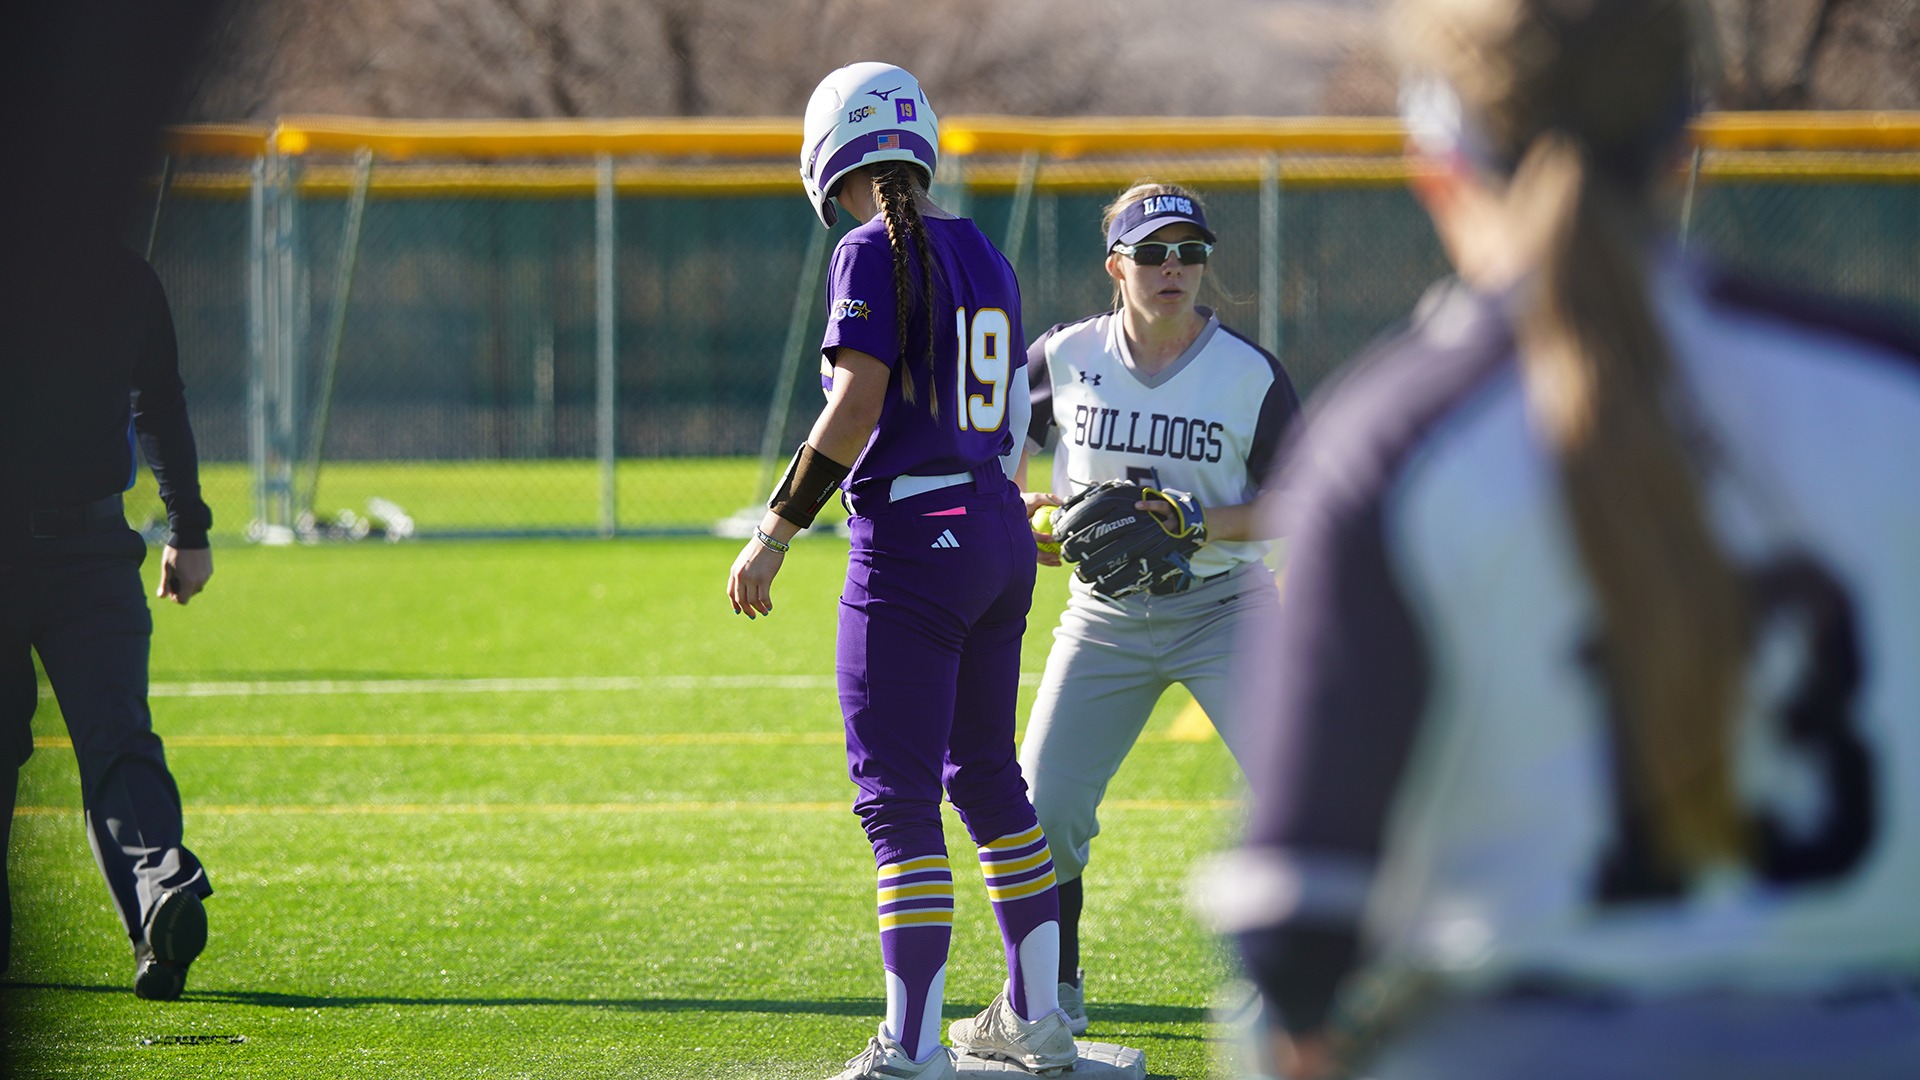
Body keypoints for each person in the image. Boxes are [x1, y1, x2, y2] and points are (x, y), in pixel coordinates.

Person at [1208, 0, 1920, 1077]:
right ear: (1686, 141)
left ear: (1434, 158)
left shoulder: (1394, 442)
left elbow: (1296, 927)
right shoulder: (1888, 385)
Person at [726, 62, 1076, 1080]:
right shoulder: (987, 254)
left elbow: (855, 407)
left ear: (825, 154)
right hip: (996, 528)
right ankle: (1039, 1017)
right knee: (989, 780)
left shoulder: (865, 249)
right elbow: (1011, 420)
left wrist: (776, 529)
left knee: (898, 801)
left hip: (916, 542)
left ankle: (912, 1044)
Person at [1013, 182, 1298, 1033]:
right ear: (1116, 266)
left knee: (1302, 791)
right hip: (1102, 616)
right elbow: (998, 463)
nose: (1173, 268)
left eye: (1190, 252)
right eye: (1152, 252)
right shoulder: (1061, 357)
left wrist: (1201, 518)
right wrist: (1034, 518)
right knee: (1042, 810)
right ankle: (1054, 991)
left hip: (1225, 606)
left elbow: (1299, 501)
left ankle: (1293, 988)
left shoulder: (1249, 374)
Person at [1, 244, 216, 1001]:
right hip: (91, 551)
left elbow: (157, 396)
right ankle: (158, 892)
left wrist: (188, 527)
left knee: (116, 735)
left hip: (93, 552)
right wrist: (188, 531)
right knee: (116, 739)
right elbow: (159, 399)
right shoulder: (119, 266)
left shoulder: (121, 271)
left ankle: (161, 908)